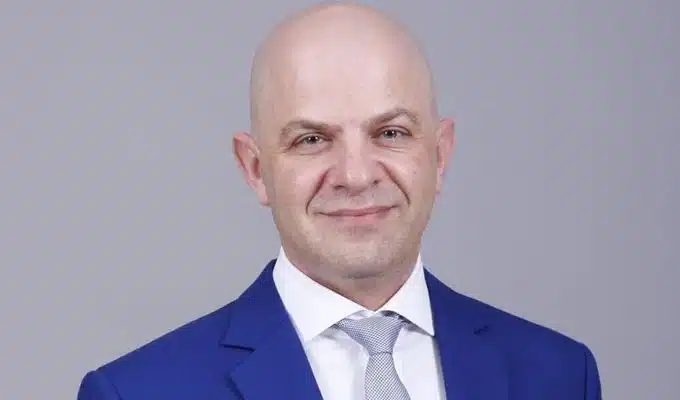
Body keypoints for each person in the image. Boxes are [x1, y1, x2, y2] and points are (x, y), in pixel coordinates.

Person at [77, 3, 602, 399]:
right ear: (256, 169)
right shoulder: (136, 393)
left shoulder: (559, 376)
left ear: (439, 155)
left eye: (390, 133)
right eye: (311, 139)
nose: (355, 175)